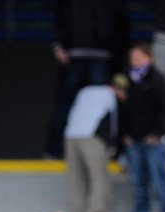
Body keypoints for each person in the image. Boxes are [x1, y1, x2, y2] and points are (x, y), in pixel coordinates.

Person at [45, 0, 128, 159]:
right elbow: (121, 21)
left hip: (93, 54)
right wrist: (58, 44)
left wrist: (58, 44)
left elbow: (120, 20)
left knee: (79, 105)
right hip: (89, 53)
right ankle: (56, 151)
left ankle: (56, 151)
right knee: (73, 104)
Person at [121, 44, 165, 212]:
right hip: (134, 142)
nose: (134, 60)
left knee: (159, 182)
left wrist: (157, 133)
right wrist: (126, 135)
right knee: (138, 183)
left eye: (138, 56)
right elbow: (125, 112)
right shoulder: (128, 80)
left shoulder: (158, 79)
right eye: (132, 56)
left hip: (155, 142)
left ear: (149, 58)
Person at [64, 76, 122, 212]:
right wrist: (114, 148)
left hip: (70, 136)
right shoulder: (110, 95)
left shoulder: (84, 91)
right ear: (117, 89)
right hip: (91, 137)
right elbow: (113, 125)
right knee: (99, 180)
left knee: (77, 181)